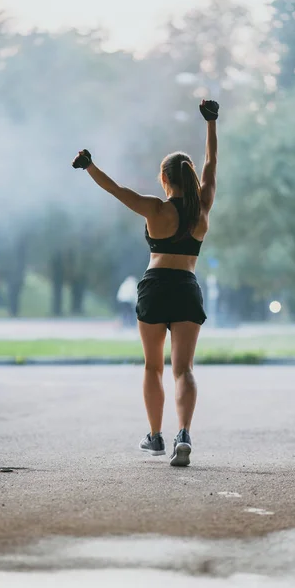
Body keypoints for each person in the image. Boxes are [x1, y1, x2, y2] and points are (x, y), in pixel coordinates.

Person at [72, 99, 219, 466]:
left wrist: (89, 166)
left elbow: (117, 190)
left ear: (165, 179)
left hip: (155, 287)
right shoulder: (202, 207)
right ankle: (183, 434)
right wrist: (211, 123)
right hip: (186, 286)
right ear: (191, 177)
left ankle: (155, 437)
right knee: (183, 369)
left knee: (153, 367)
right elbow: (211, 164)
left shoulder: (156, 208)